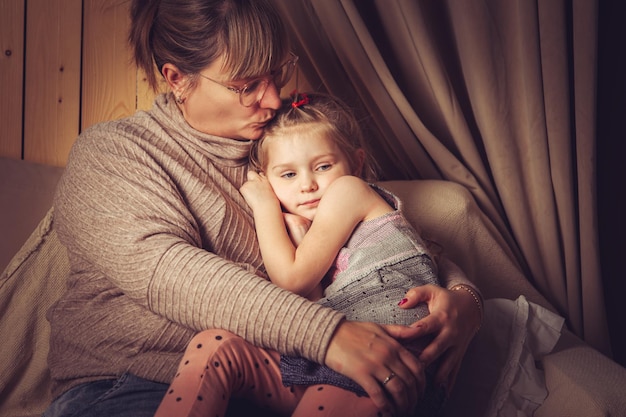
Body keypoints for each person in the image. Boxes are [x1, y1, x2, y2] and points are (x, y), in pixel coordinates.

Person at [43, 1, 482, 417]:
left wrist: (463, 303)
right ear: (177, 79)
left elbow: (381, 238)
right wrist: (327, 335)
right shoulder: (115, 153)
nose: (272, 100)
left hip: (277, 381)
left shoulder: (288, 147)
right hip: (129, 383)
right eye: (247, 86)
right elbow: (170, 273)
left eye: (276, 73)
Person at [155, 92, 478, 417]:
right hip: (332, 356)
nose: (308, 185)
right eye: (288, 175)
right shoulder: (311, 233)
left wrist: (265, 206)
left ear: (356, 163)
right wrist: (296, 234)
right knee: (215, 345)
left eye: (323, 166)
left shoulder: (348, 191)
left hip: (393, 353)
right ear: (270, 176)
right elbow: (313, 308)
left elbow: (290, 280)